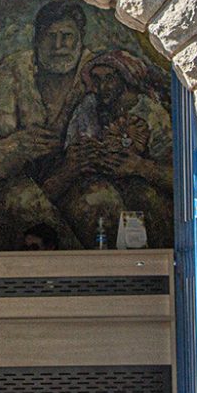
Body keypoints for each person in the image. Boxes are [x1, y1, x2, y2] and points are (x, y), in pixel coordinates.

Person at [0, 0, 95, 249]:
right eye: (51, 36)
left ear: (80, 39)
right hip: (18, 179)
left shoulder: (96, 70)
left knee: (101, 202)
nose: (59, 46)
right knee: (23, 202)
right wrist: (18, 146)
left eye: (67, 36)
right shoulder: (16, 69)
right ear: (37, 40)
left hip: (78, 178)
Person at [54, 50, 175, 247]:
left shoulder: (150, 112)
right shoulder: (88, 108)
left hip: (140, 188)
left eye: (110, 79)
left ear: (124, 79)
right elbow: (73, 151)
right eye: (97, 80)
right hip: (97, 188)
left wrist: (140, 167)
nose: (103, 87)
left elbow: (172, 173)